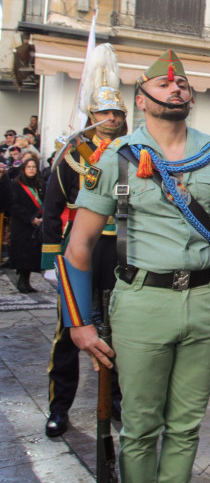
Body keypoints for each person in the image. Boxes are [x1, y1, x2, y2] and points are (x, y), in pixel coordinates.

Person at [59, 50, 210, 483]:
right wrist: (79, 323)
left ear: (192, 96)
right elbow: (79, 246)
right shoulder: (116, 158)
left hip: (206, 302)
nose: (175, 87)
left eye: (182, 83)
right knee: (140, 428)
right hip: (142, 302)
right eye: (163, 84)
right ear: (140, 99)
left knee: (186, 426)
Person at [40, 46, 128, 438]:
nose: (111, 119)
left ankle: (120, 401)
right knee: (68, 331)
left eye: (116, 113)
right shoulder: (72, 153)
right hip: (77, 249)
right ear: (91, 117)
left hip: (118, 250)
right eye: (104, 113)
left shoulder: (132, 153)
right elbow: (53, 204)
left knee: (120, 329)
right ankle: (59, 407)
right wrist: (47, 262)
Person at [9, 156, 45, 292]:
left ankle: (27, 281)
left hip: (36, 226)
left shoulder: (39, 184)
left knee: (32, 255)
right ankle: (21, 282)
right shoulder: (17, 184)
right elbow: (14, 205)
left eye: (34, 167)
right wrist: (30, 218)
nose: (31, 169)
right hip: (22, 225)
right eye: (29, 167)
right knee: (22, 255)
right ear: (24, 169)